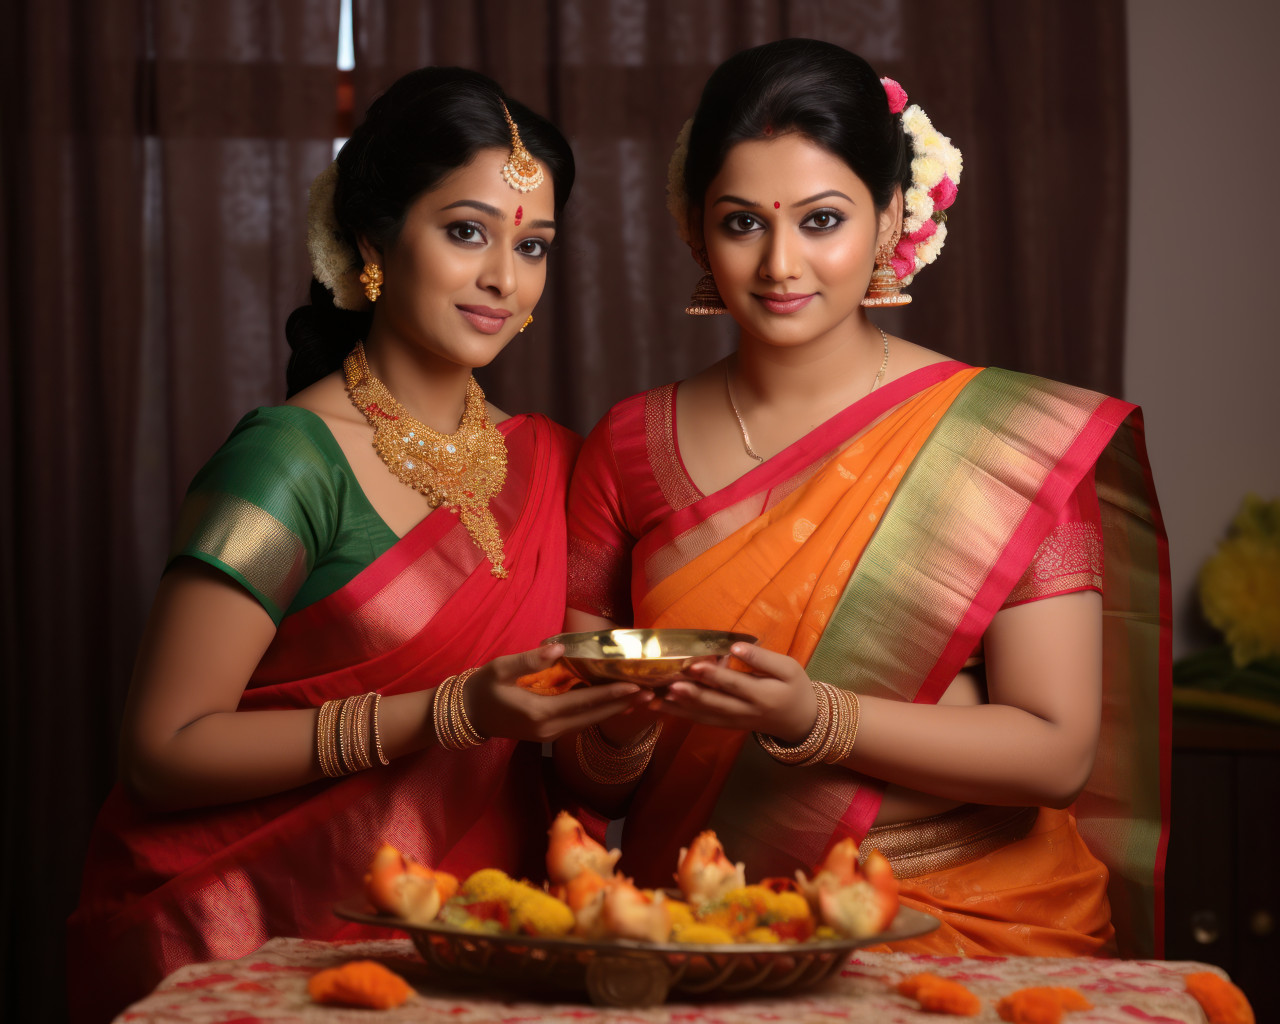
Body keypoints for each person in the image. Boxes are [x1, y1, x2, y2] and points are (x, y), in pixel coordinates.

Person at [556, 39, 1169, 959]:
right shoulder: (627, 449)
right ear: (694, 228)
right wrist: (627, 720)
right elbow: (587, 775)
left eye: (822, 220)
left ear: (889, 220)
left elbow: (1055, 751)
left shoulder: (1005, 438)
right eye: (741, 224)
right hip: (705, 931)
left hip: (963, 927)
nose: (779, 265)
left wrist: (816, 719)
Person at [67, 67, 644, 1021]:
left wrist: (632, 720)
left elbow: (581, 777)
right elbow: (161, 753)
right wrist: (447, 712)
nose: (505, 276)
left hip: (493, 951)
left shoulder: (557, 466)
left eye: (533, 245)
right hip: (263, 944)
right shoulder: (286, 462)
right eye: (467, 232)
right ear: (374, 239)